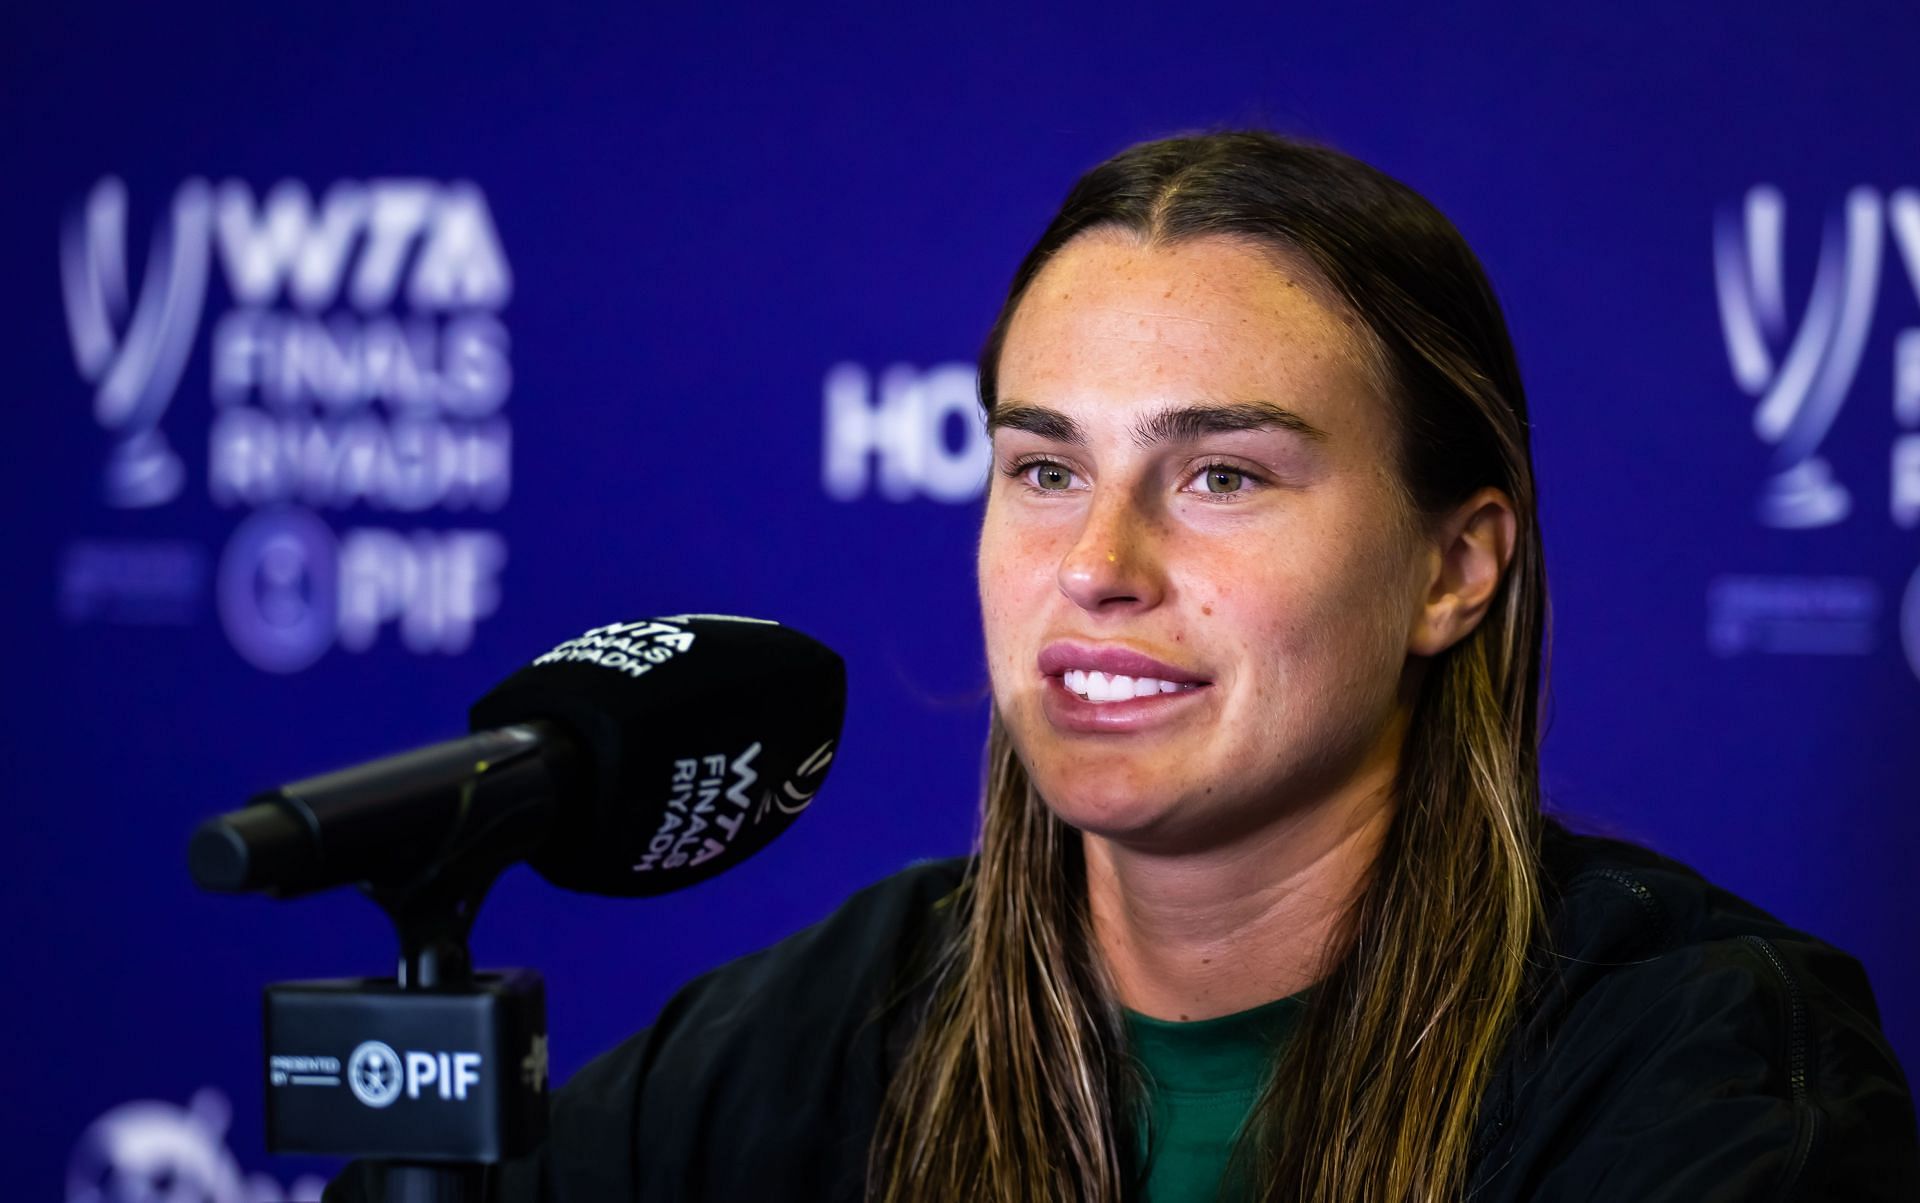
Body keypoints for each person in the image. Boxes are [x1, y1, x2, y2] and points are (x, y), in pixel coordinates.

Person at [331, 131, 1920, 1202]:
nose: (1098, 566)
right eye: (1043, 468)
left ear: (1455, 566)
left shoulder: (1702, 1059)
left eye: (1222, 474)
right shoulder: (838, 1027)